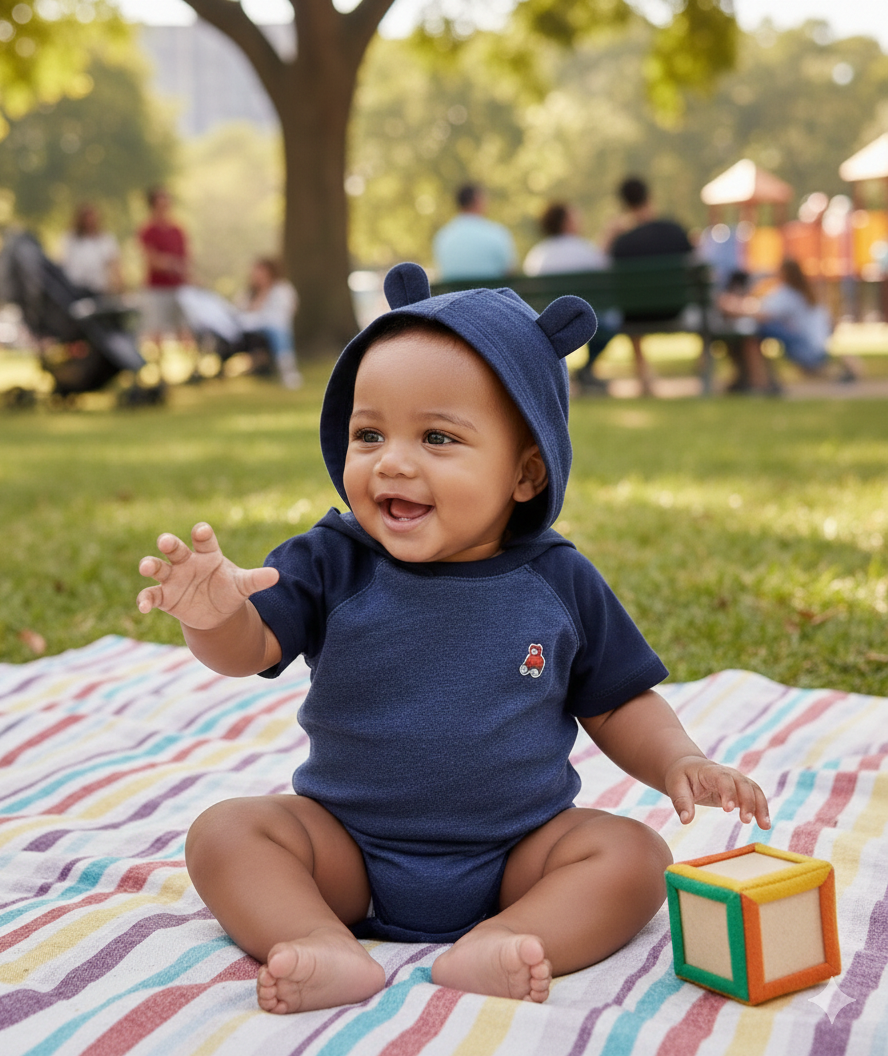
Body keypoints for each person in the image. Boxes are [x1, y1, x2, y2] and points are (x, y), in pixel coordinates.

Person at [137, 262, 770, 1015]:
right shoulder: (333, 559)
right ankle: (318, 940)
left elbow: (617, 700)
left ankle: (508, 939)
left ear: (526, 473)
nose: (392, 461)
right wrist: (213, 618)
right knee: (225, 832)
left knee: (634, 856)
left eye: (437, 437)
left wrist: (678, 759)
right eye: (368, 433)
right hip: (347, 852)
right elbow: (252, 648)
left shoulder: (559, 581)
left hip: (518, 858)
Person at [606, 177, 694, 396]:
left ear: (624, 205)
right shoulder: (675, 230)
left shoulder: (621, 243)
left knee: (630, 309)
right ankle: (704, 369)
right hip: (676, 309)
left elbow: (604, 271)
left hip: (636, 316)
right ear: (650, 197)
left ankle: (644, 378)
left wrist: (608, 236)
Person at [524, 202, 616, 394]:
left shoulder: (538, 255)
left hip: (546, 322)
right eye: (575, 216)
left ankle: (572, 375)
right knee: (613, 319)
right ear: (566, 222)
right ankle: (587, 369)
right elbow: (605, 269)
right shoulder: (583, 249)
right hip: (587, 319)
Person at [718, 259, 857, 384]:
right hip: (819, 349)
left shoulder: (787, 294)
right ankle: (759, 378)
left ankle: (759, 379)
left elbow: (762, 315)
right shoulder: (805, 294)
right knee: (769, 327)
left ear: (784, 273)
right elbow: (830, 324)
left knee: (763, 328)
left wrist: (730, 307)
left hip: (807, 350)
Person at [138, 187, 190, 360]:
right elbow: (151, 259)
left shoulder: (178, 230)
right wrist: (170, 264)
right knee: (156, 330)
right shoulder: (148, 230)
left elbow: (186, 259)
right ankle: (157, 366)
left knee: (184, 328)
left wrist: (183, 272)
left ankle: (190, 364)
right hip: (156, 288)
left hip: (178, 287)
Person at [239, 257, 302, 390]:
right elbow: (241, 311)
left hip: (275, 326)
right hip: (250, 328)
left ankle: (287, 370)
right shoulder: (249, 293)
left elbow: (288, 310)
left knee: (278, 331)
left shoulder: (282, 289)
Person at [433, 183, 517, 281]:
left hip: (455, 291)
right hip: (491, 290)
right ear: (477, 200)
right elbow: (510, 272)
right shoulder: (497, 233)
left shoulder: (442, 237)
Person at [60, 204, 123, 296]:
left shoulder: (105, 239)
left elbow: (115, 264)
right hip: (74, 289)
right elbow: (62, 262)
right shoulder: (70, 239)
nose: (90, 223)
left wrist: (119, 287)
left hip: (99, 289)